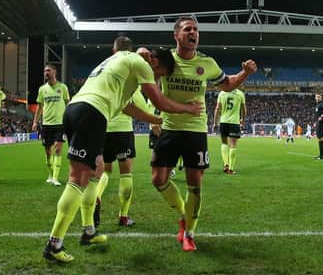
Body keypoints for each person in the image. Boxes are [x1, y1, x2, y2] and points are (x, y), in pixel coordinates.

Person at [42, 47, 202, 263]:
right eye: (160, 73)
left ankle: (89, 231)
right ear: (154, 62)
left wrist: (156, 121)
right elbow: (159, 102)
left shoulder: (120, 60)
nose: (157, 78)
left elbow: (128, 107)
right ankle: (54, 244)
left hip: (77, 110)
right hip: (92, 113)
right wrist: (187, 109)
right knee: (78, 177)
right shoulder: (142, 64)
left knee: (97, 169)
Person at [151, 17, 257, 252]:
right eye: (188, 29)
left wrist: (245, 73)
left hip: (195, 129)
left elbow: (227, 84)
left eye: (196, 30)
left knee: (194, 184)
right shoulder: (166, 59)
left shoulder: (207, 62)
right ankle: (182, 215)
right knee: (158, 179)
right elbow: (150, 81)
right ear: (176, 35)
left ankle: (189, 233)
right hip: (169, 127)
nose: (194, 33)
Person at [94, 37, 161, 228]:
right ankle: (123, 216)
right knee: (126, 173)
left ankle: (97, 195)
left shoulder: (109, 71)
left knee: (106, 171)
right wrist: (153, 123)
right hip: (123, 130)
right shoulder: (132, 78)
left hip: (105, 128)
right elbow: (139, 105)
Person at [32, 65, 70, 186]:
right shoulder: (42, 89)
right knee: (48, 152)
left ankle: (55, 178)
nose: (45, 72)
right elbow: (39, 107)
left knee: (58, 149)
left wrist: (70, 119)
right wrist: (35, 122)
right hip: (46, 124)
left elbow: (68, 104)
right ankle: (51, 174)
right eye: (44, 71)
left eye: (48, 70)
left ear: (55, 72)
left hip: (60, 123)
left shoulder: (63, 87)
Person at [213, 88, 246, 174]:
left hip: (223, 121)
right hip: (234, 122)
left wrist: (215, 123)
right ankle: (231, 169)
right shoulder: (240, 94)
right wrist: (243, 119)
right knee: (233, 145)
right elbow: (244, 109)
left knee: (224, 143)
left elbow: (217, 109)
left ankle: (225, 164)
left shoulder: (222, 93)